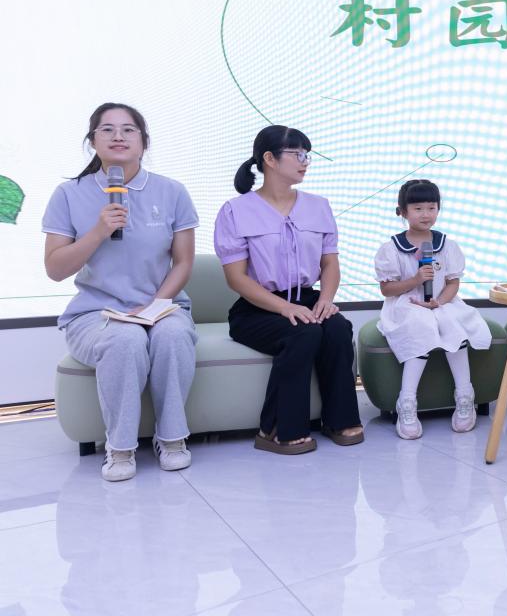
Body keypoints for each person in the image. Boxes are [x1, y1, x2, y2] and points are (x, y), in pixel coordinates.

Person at [43, 103, 198, 481]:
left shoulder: (172, 191)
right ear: (92, 141)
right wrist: (98, 231)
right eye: (107, 129)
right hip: (95, 314)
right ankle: (120, 447)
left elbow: (183, 263)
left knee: (173, 335)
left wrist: (154, 306)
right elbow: (55, 269)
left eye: (129, 130)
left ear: (143, 142)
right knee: (125, 339)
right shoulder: (68, 194)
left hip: (162, 305)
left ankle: (172, 438)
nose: (118, 136)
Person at [213, 125, 363, 455]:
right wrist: (285, 308)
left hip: (308, 298)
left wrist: (326, 300)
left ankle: (339, 420)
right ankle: (275, 430)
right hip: (257, 308)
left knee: (337, 328)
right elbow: (236, 279)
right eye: (298, 155)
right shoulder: (235, 211)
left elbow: (330, 263)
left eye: (307, 155)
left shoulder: (319, 206)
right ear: (269, 159)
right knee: (303, 332)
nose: (305, 162)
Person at [374, 179, 492, 439]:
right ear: (403, 211)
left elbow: (452, 283)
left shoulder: (447, 245)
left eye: (431, 207)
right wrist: (415, 281)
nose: (425, 214)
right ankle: (407, 401)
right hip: (406, 304)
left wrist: (439, 302)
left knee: (453, 324)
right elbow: (387, 289)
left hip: (441, 302)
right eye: (418, 208)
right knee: (421, 325)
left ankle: (465, 394)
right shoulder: (391, 248)